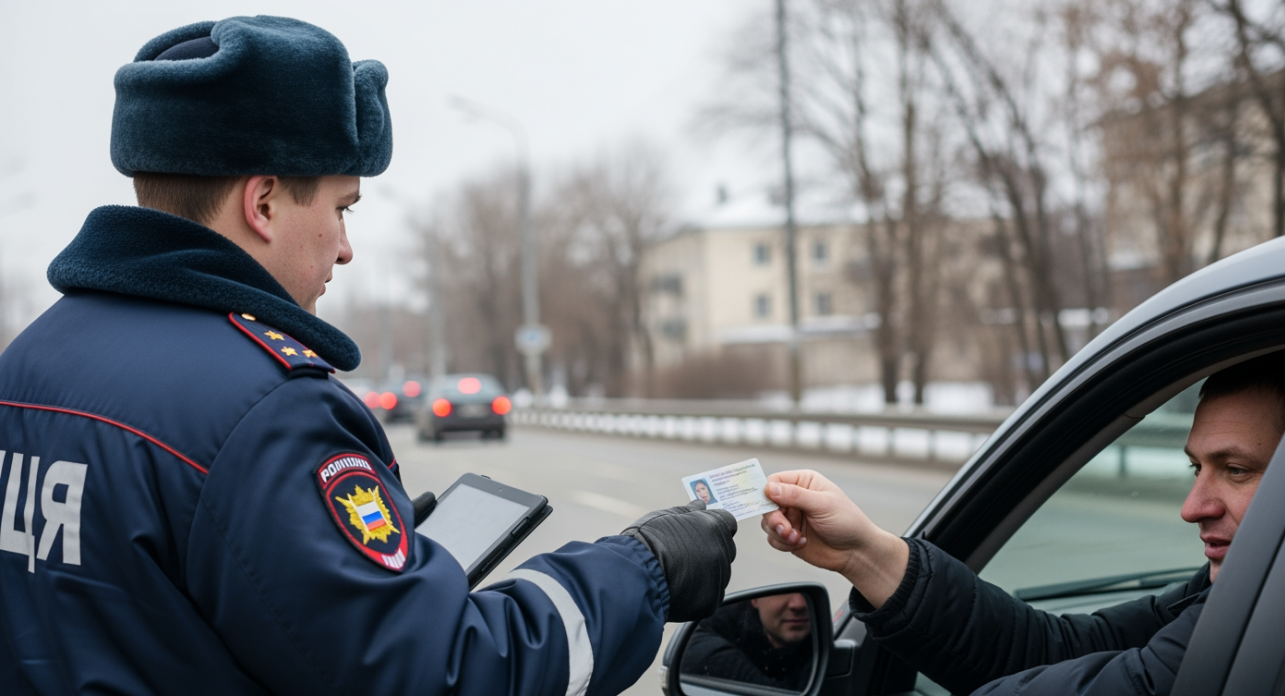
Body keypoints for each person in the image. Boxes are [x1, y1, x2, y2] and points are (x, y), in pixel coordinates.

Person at [0, 16, 737, 696]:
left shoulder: (29, 363)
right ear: (263, 204)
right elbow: (443, 675)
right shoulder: (268, 413)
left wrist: (330, 556)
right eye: (341, 207)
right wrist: (645, 568)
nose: (347, 248)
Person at [760, 349, 1285, 696]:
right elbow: (1057, 656)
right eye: (1195, 468)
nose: (1193, 506)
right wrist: (863, 554)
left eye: (1235, 470)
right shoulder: (1235, 601)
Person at [682, 592, 813, 690]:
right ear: (755, 599)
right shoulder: (718, 628)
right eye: (783, 592)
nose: (799, 604)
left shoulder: (819, 639)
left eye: (808, 593)